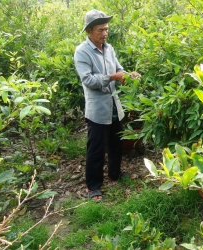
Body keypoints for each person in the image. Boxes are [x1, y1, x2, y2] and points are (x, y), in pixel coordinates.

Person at [74, 9, 140, 201]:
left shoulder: (109, 49)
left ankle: (115, 174)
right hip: (97, 110)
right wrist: (112, 77)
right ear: (89, 31)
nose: (104, 34)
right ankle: (93, 187)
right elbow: (88, 80)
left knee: (116, 144)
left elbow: (118, 69)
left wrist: (127, 75)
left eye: (106, 29)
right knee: (96, 149)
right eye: (100, 30)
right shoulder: (82, 52)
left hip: (113, 105)